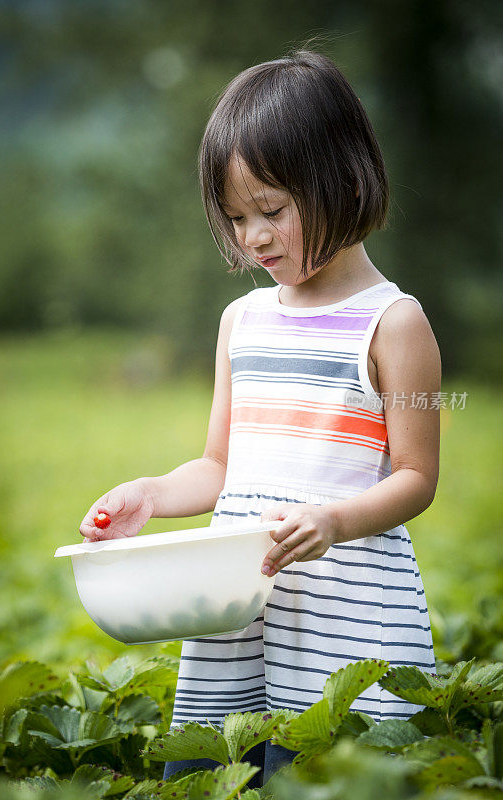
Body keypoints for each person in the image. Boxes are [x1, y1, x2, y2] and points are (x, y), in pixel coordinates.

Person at [79, 48, 441, 786]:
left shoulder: (395, 325)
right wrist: (152, 493)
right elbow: (218, 467)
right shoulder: (241, 322)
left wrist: (335, 521)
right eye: (237, 217)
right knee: (226, 769)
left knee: (329, 772)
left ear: (342, 180)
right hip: (243, 612)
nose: (252, 237)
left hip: (346, 620)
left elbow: (417, 476)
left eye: (271, 210)